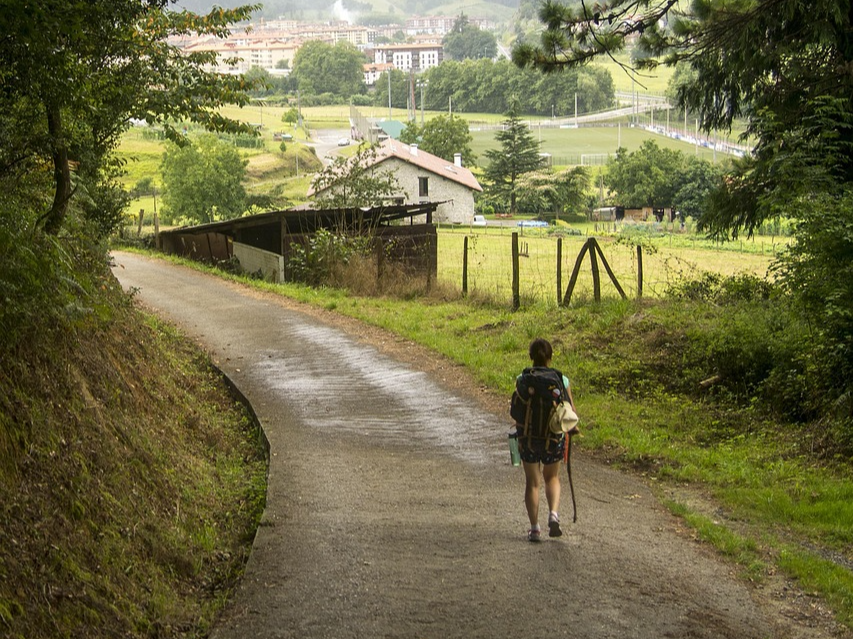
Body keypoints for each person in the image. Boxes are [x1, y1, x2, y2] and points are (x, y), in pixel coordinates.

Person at [513, 337, 576, 542]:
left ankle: (534, 529)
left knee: (532, 482)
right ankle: (554, 515)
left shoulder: (522, 379)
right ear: (550, 357)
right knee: (552, 478)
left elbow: (516, 411)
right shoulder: (561, 380)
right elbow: (569, 412)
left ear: (531, 357)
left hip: (529, 438)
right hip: (553, 439)